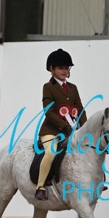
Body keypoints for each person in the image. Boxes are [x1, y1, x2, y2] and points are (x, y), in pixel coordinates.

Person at [35, 48, 88, 200]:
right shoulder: (48, 87)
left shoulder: (73, 88)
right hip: (51, 131)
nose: (64, 71)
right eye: (60, 68)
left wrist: (85, 128)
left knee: (89, 149)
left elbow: (80, 109)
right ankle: (40, 186)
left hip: (72, 130)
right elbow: (49, 112)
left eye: (66, 68)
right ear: (51, 69)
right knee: (51, 153)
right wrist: (64, 126)